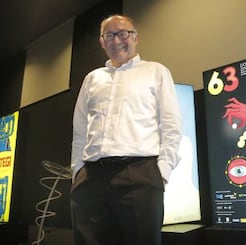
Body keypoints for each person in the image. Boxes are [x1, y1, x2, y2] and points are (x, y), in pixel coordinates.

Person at [70, 14, 182, 245]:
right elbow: (80, 129)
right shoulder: (92, 79)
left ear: (136, 38)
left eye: (124, 33)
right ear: (102, 42)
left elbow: (171, 125)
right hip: (91, 177)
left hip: (140, 173)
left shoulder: (156, 71)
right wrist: (77, 173)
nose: (117, 39)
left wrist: (163, 171)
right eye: (109, 35)